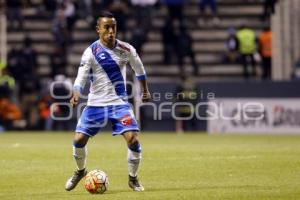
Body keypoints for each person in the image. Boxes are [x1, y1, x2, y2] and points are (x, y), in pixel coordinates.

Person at [64, 11, 151, 192]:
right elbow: (81, 77)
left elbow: (139, 69)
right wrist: (76, 93)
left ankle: (133, 178)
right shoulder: (90, 52)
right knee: (78, 139)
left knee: (133, 139)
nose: (111, 31)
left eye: (113, 27)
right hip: (95, 103)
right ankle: (80, 171)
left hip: (119, 103)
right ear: (98, 29)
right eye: (107, 27)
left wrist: (145, 90)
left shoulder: (127, 49)